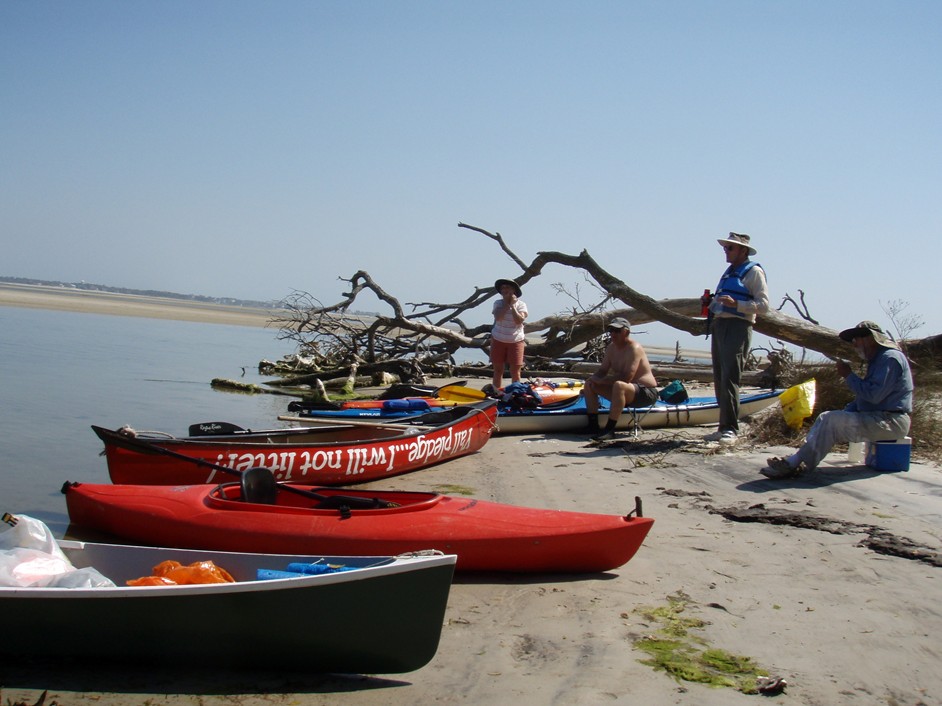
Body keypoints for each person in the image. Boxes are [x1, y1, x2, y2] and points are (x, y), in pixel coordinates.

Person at [762, 321, 914, 480]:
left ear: (870, 339)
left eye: (856, 340)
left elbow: (873, 395)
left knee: (831, 420)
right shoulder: (878, 360)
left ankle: (795, 464)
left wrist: (848, 375)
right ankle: (799, 459)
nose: (854, 345)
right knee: (826, 417)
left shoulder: (889, 358)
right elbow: (868, 399)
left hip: (891, 421)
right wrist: (847, 411)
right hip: (880, 418)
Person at [704, 232, 769, 445]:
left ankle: (731, 429)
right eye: (726, 247)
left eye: (730, 248)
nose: (726, 250)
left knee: (731, 377)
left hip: (738, 326)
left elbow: (764, 306)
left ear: (743, 250)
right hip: (720, 325)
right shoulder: (729, 272)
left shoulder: (754, 272)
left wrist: (737, 305)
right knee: (720, 376)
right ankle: (722, 427)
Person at [583, 317, 659, 441]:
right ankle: (593, 425)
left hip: (646, 393)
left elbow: (627, 377)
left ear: (626, 332)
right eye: (611, 330)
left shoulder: (634, 348)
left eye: (617, 331)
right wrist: (593, 379)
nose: (613, 333)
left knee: (619, 385)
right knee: (590, 384)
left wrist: (603, 381)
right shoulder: (611, 348)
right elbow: (602, 371)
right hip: (627, 391)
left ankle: (609, 430)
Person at [490, 278, 528, 390]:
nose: (505, 290)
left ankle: (516, 392)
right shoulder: (498, 303)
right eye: (503, 288)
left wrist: (513, 306)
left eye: (507, 287)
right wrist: (507, 304)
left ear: (514, 290)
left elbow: (519, 320)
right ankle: (496, 392)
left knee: (515, 370)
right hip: (498, 338)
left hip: (516, 340)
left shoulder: (521, 305)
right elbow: (498, 317)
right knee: (498, 369)